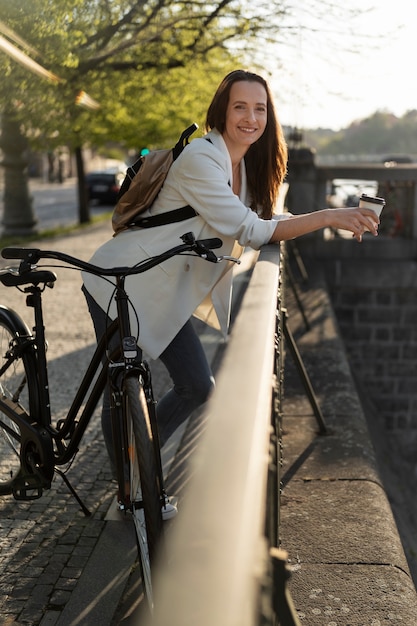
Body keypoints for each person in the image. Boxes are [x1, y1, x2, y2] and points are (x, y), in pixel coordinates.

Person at [82, 69, 379, 463]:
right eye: (240, 107)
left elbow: (265, 217)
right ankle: (130, 480)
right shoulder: (201, 158)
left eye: (260, 109)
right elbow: (253, 230)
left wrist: (335, 216)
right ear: (221, 111)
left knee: (196, 385)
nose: (251, 118)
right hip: (121, 280)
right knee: (123, 390)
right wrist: (328, 216)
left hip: (165, 290)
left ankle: (141, 461)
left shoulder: (246, 164)